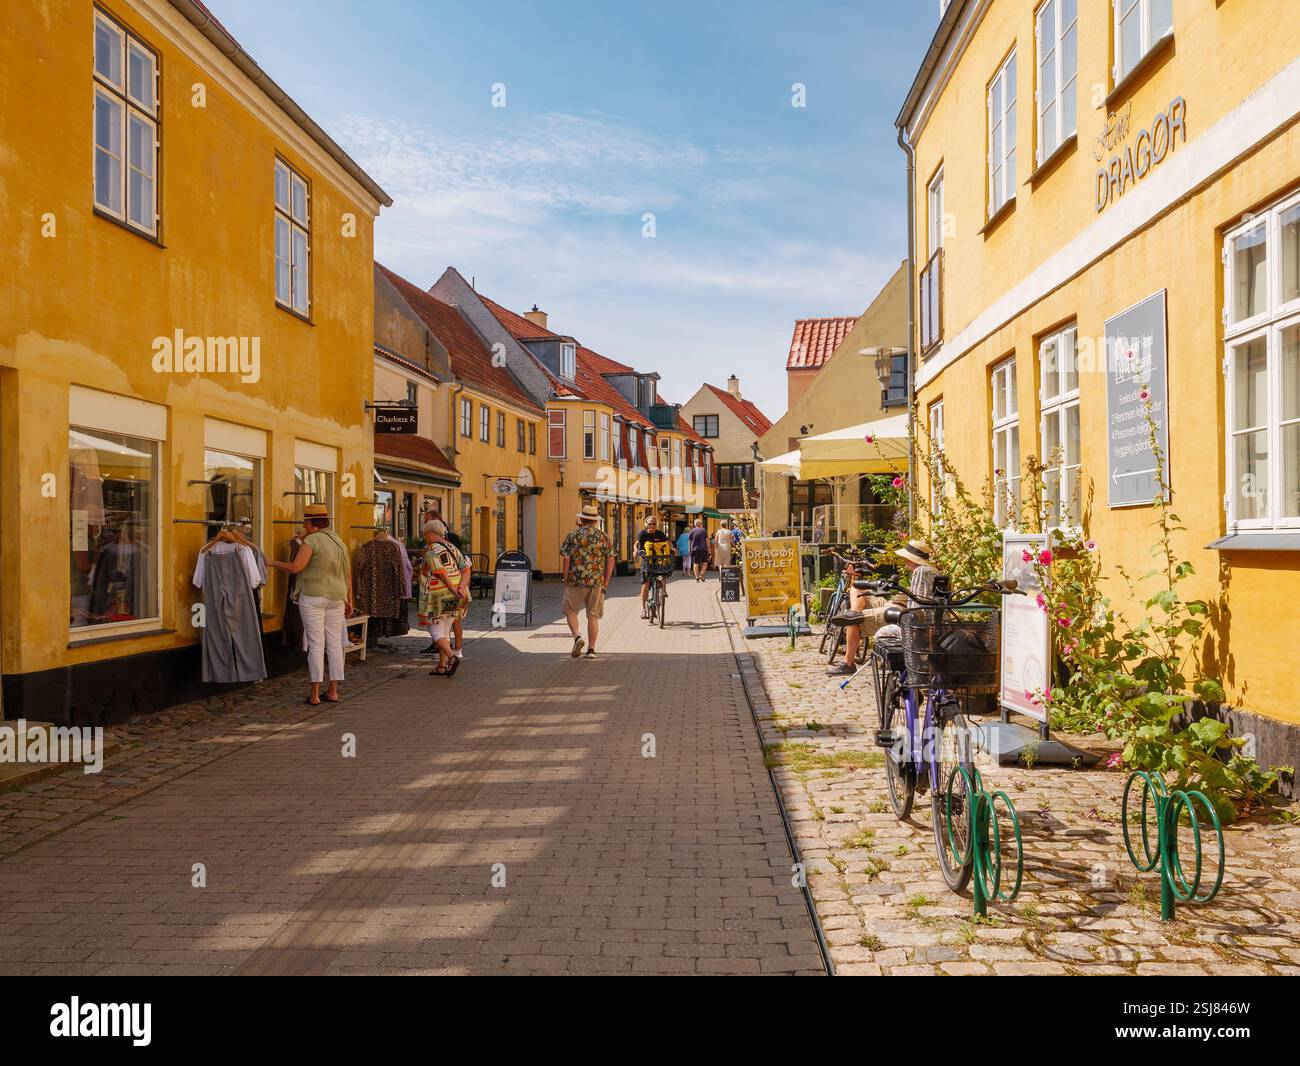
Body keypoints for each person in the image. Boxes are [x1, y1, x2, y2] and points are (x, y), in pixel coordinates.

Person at [268, 503, 352, 705]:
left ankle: (314, 695)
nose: (304, 526)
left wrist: (272, 562)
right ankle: (333, 691)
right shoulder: (339, 541)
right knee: (334, 644)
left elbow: (296, 568)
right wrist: (349, 600)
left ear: (309, 522)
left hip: (313, 597)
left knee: (316, 644)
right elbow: (347, 575)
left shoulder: (311, 541)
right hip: (337, 598)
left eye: (305, 522)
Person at [827, 538, 939, 676]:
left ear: (912, 559)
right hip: (894, 602)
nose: (904, 561)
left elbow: (917, 608)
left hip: (899, 611)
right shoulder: (929, 571)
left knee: (852, 621)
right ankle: (854, 611)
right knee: (856, 588)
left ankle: (848, 663)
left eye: (906, 558)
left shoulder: (921, 572)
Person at [560, 504, 615, 657]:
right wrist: (606, 582)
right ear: (595, 521)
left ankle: (577, 636)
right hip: (596, 581)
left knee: (570, 611)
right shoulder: (603, 536)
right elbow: (611, 560)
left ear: (582, 519)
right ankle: (591, 650)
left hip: (575, 580)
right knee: (593, 615)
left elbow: (566, 558)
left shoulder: (572, 535)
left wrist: (565, 579)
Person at [418, 518, 470, 677]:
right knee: (446, 628)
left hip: (437, 594)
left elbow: (439, 571)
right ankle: (441, 666)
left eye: (425, 534)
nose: (424, 537)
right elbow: (466, 569)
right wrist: (460, 586)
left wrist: (452, 588)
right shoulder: (452, 547)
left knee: (434, 628)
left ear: (433, 534)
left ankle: (451, 657)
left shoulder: (431, 549)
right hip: (457, 594)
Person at [635, 514, 672, 617]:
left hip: (659, 561)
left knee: (664, 573)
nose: (652, 526)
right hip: (646, 561)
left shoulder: (660, 534)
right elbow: (637, 544)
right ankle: (643, 609)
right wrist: (635, 551)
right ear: (646, 524)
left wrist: (673, 549)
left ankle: (663, 589)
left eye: (654, 524)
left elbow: (668, 543)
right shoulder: (643, 533)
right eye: (650, 524)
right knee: (646, 584)